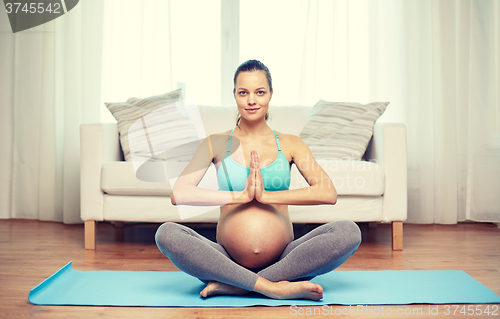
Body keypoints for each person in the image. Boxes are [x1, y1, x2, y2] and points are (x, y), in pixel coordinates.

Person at [155, 59, 361, 300]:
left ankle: (237, 285)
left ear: (270, 94)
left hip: (285, 259)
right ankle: (272, 287)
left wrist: (267, 196)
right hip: (225, 259)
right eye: (244, 92)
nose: (251, 100)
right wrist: (239, 197)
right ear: (234, 95)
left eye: (259, 92)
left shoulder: (290, 143)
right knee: (166, 233)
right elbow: (179, 193)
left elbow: (327, 192)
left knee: (349, 232)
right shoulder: (215, 142)